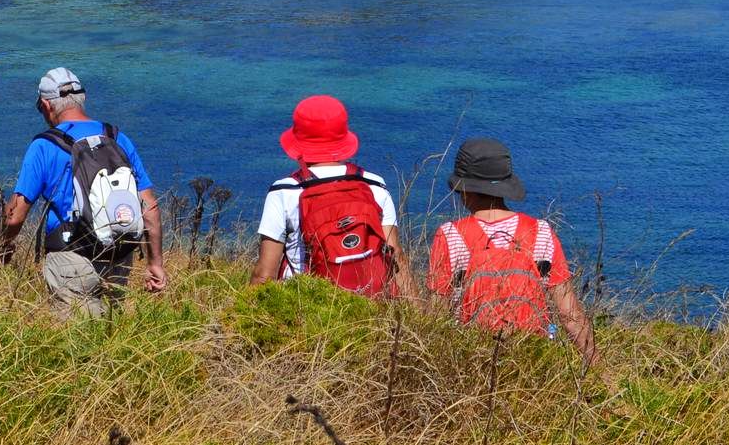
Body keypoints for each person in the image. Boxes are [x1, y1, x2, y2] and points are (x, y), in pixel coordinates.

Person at [0, 68, 167, 314]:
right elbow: (150, 207)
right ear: (83, 98)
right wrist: (155, 262)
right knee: (111, 335)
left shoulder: (44, 146)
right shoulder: (118, 137)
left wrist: (3, 245)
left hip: (70, 257)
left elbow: (15, 215)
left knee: (77, 343)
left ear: (46, 105)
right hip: (118, 253)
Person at [425, 138, 595, 364]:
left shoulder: (449, 236)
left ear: (464, 188)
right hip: (532, 360)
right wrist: (600, 372)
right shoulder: (541, 232)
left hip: (470, 360)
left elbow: (437, 316)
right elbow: (570, 315)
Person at [251, 95, 413, 299]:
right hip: (369, 311)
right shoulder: (374, 186)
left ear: (298, 141)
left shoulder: (284, 191)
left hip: (306, 310)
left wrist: (246, 321)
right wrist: (419, 317)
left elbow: (264, 275)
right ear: (343, 138)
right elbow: (395, 255)